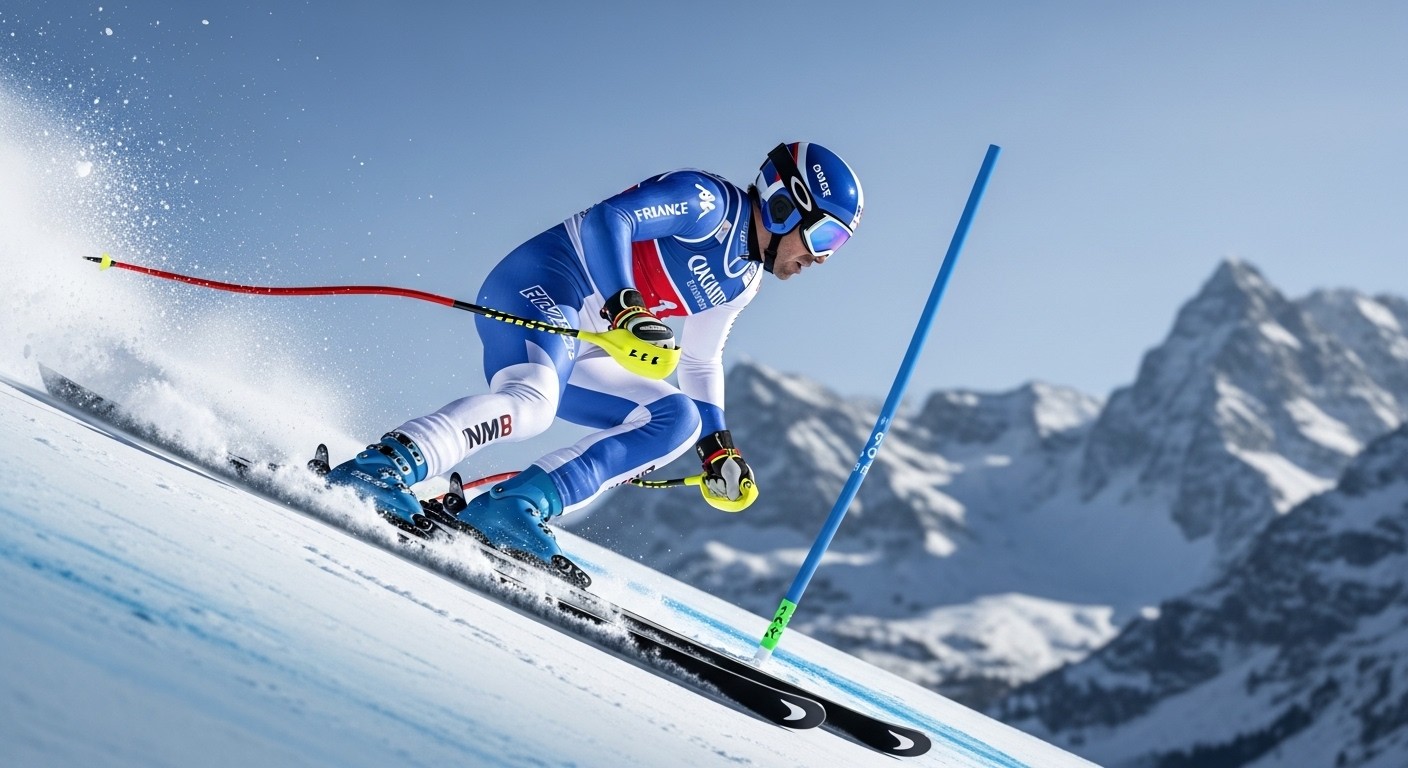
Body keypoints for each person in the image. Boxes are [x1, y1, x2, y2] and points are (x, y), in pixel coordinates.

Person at [324, 142, 864, 579]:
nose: (819, 257)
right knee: (531, 405)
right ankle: (380, 468)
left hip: (592, 339)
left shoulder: (742, 280)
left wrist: (717, 448)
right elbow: (609, 221)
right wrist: (624, 305)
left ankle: (510, 510)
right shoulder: (706, 203)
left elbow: (701, 361)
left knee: (678, 420)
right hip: (543, 287)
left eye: (837, 247)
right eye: (824, 234)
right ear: (784, 204)